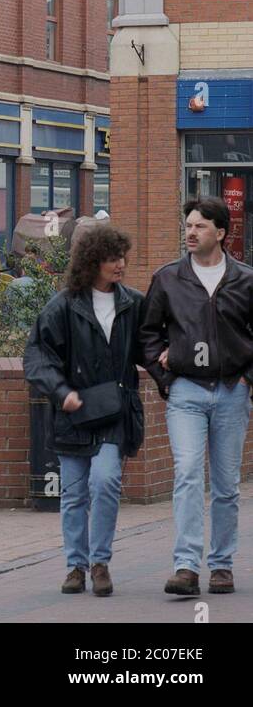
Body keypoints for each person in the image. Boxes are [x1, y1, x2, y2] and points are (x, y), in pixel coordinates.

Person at [139, 196, 253, 597]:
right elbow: (148, 333)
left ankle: (222, 565)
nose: (190, 232)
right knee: (187, 474)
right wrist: (163, 377)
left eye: (200, 226)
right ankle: (186, 566)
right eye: (188, 225)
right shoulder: (168, 278)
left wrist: (246, 378)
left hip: (231, 391)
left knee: (225, 485)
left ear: (221, 233)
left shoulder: (245, 279)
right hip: (186, 391)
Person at [24, 225, 144, 598]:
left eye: (121, 257)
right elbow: (37, 356)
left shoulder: (133, 303)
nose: (119, 264)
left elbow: (151, 347)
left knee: (105, 481)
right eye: (111, 259)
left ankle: (100, 562)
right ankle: (75, 565)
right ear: (91, 263)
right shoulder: (62, 305)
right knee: (74, 493)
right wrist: (62, 393)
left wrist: (170, 370)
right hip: (73, 413)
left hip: (114, 413)